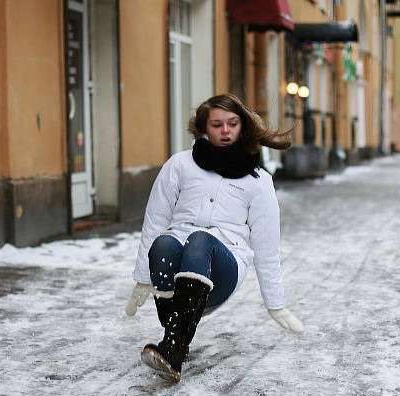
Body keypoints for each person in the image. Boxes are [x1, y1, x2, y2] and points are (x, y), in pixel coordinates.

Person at [124, 93, 303, 382]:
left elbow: (266, 246)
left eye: (232, 123)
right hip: (174, 270)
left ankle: (173, 348)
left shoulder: (258, 181)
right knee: (164, 242)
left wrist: (276, 303)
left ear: (242, 126)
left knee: (200, 240)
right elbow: (155, 221)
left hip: (223, 268)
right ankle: (174, 342)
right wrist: (143, 277)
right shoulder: (179, 165)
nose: (225, 131)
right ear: (204, 128)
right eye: (217, 124)